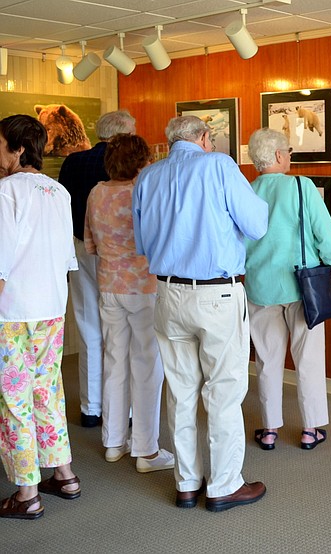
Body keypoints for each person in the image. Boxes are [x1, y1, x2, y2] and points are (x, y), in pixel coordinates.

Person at [133, 116, 269, 512]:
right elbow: (257, 225)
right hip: (216, 296)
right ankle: (224, 484)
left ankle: (187, 483)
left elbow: (143, 242)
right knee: (224, 392)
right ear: (205, 138)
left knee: (179, 391)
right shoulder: (219, 165)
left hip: (167, 293)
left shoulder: (149, 175)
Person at [0, 114, 80, 519]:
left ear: (16, 148)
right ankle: (64, 474)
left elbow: (0, 260)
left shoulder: (6, 192)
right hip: (51, 307)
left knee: (15, 400)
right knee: (47, 391)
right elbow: (67, 257)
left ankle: (27, 492)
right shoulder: (57, 191)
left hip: (12, 311)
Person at [244, 128, 331, 451]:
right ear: (277, 156)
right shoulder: (301, 186)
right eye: (287, 150)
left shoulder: (246, 191)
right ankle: (310, 429)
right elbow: (324, 232)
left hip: (259, 287)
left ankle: (269, 429)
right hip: (303, 286)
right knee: (309, 358)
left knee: (267, 361)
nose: (289, 156)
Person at [84, 134, 174, 472]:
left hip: (109, 286)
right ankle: (146, 450)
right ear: (141, 161)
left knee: (114, 363)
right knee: (147, 367)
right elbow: (158, 241)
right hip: (144, 288)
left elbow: (90, 244)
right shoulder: (144, 192)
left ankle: (113, 442)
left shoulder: (96, 192)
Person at [59, 110, 136, 428]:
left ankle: (91, 408)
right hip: (120, 255)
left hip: (79, 249)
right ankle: (123, 409)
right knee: (122, 331)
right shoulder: (128, 164)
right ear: (123, 134)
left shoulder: (73, 163)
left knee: (89, 326)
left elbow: (64, 208)